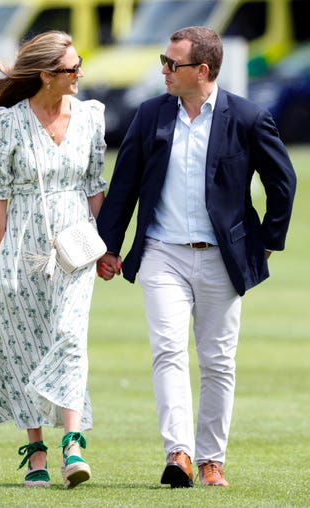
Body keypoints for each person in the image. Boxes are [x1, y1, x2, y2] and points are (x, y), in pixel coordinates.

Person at [96, 26, 296, 488]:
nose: (163, 70)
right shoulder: (149, 116)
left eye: (172, 63)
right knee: (168, 351)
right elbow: (123, 185)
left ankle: (211, 460)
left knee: (217, 362)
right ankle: (179, 455)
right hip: (161, 255)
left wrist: (268, 240)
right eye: (164, 61)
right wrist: (108, 247)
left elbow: (282, 182)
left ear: (201, 70)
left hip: (222, 260)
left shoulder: (248, 118)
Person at [0, 31, 107, 488]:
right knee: (25, 343)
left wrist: (106, 247)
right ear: (46, 75)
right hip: (21, 243)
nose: (80, 73)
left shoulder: (90, 117)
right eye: (72, 67)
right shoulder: (6, 123)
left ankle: (72, 443)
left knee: (69, 333)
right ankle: (36, 451)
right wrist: (1, 259)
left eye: (80, 62)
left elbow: (93, 186)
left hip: (75, 244)